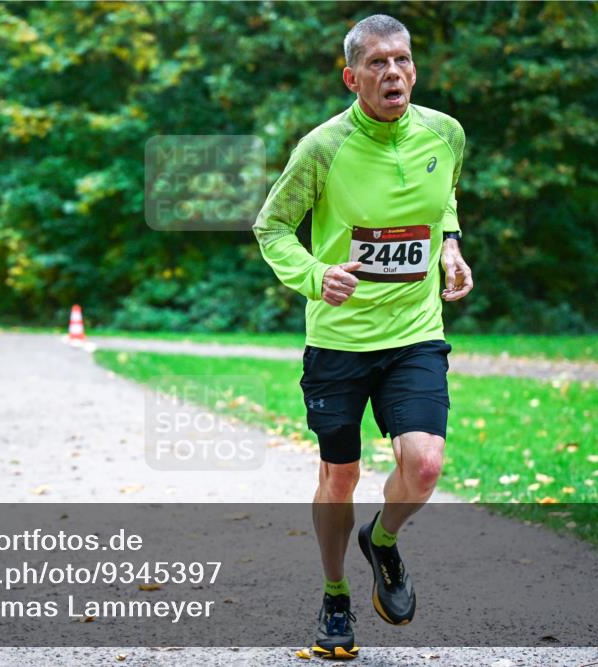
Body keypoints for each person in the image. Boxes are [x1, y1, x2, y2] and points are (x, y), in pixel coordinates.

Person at [253, 14, 473, 660]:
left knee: (425, 464)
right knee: (340, 473)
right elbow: (271, 228)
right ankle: (333, 594)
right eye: (377, 63)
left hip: (414, 332)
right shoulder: (321, 148)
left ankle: (382, 539)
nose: (393, 73)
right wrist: (317, 275)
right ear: (351, 77)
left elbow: (444, 194)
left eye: (402, 60)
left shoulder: (446, 133)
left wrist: (451, 244)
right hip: (340, 340)